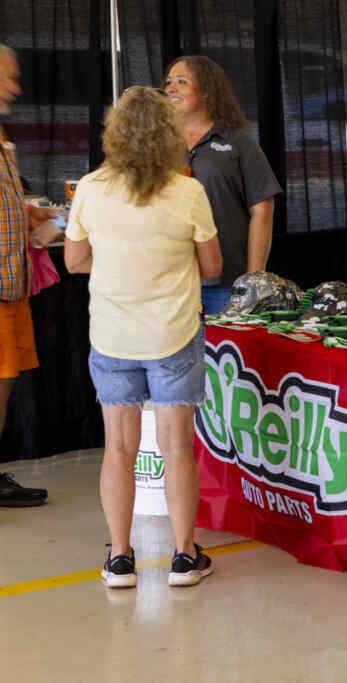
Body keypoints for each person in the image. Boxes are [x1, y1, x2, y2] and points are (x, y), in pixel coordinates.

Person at [64, 86, 223, 589]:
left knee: (119, 448)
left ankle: (120, 559)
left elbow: (75, 262)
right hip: (174, 334)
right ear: (170, 135)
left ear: (114, 134)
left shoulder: (91, 188)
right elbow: (213, 267)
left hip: (112, 337)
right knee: (176, 448)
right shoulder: (188, 192)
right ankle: (184, 556)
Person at [163, 55, 281, 315]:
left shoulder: (238, 142)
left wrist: (253, 279)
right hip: (170, 283)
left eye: (181, 81)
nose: (171, 88)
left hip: (225, 285)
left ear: (206, 90)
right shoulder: (157, 144)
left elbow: (262, 209)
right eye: (169, 82)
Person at [0, 43, 53, 507]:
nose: (15, 88)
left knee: (4, 382)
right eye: (7, 77)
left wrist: (34, 215)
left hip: (9, 281)